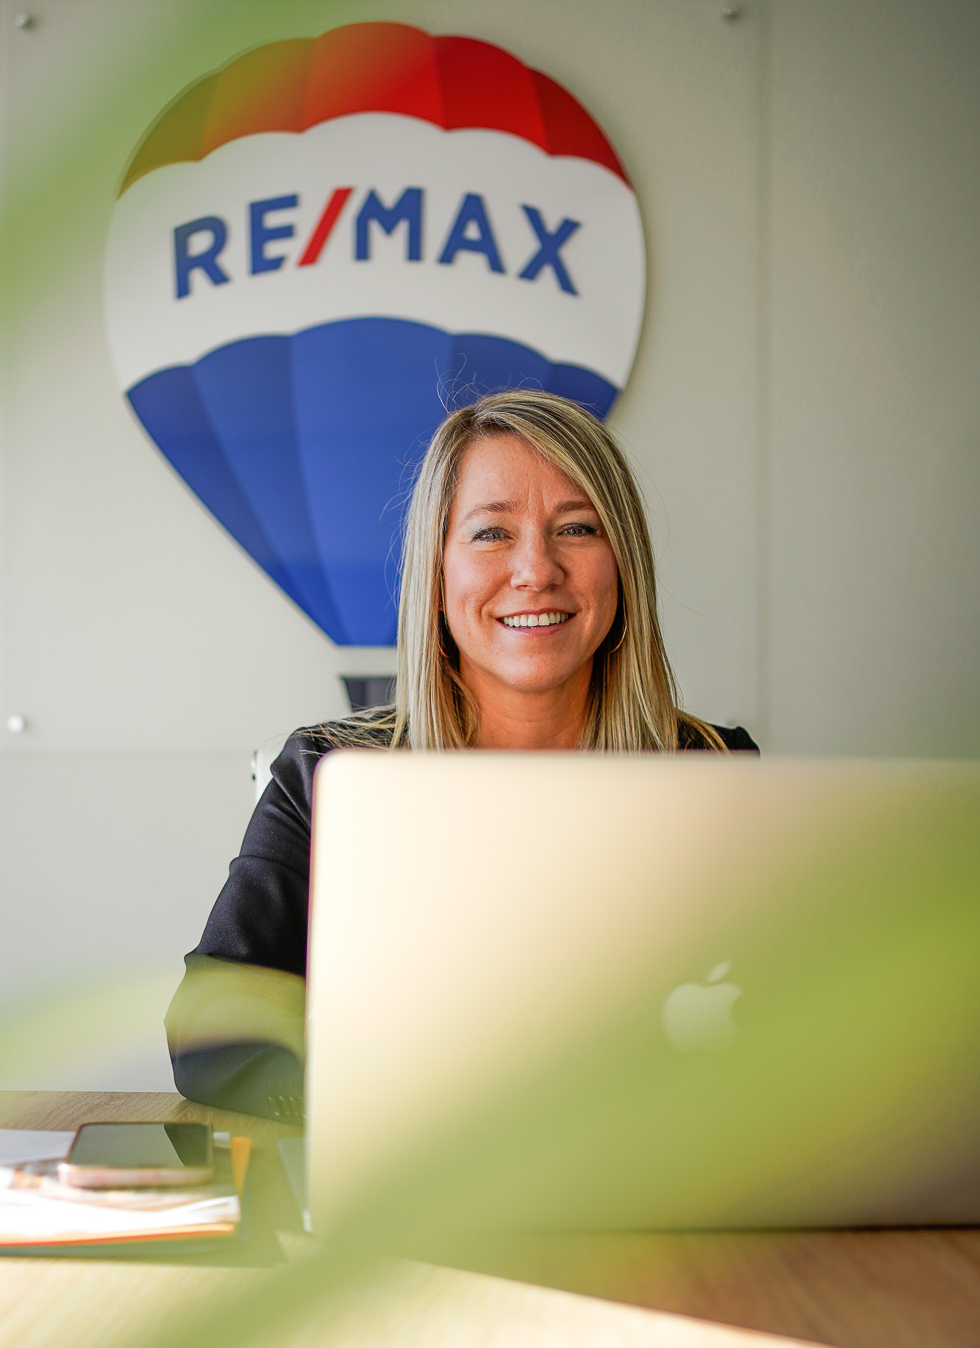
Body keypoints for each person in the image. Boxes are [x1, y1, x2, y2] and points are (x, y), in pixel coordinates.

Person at [166, 390, 758, 1117]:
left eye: (577, 528)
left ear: (623, 563)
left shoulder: (715, 769)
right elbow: (210, 1034)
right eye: (491, 533)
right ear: (438, 571)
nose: (536, 569)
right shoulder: (329, 775)